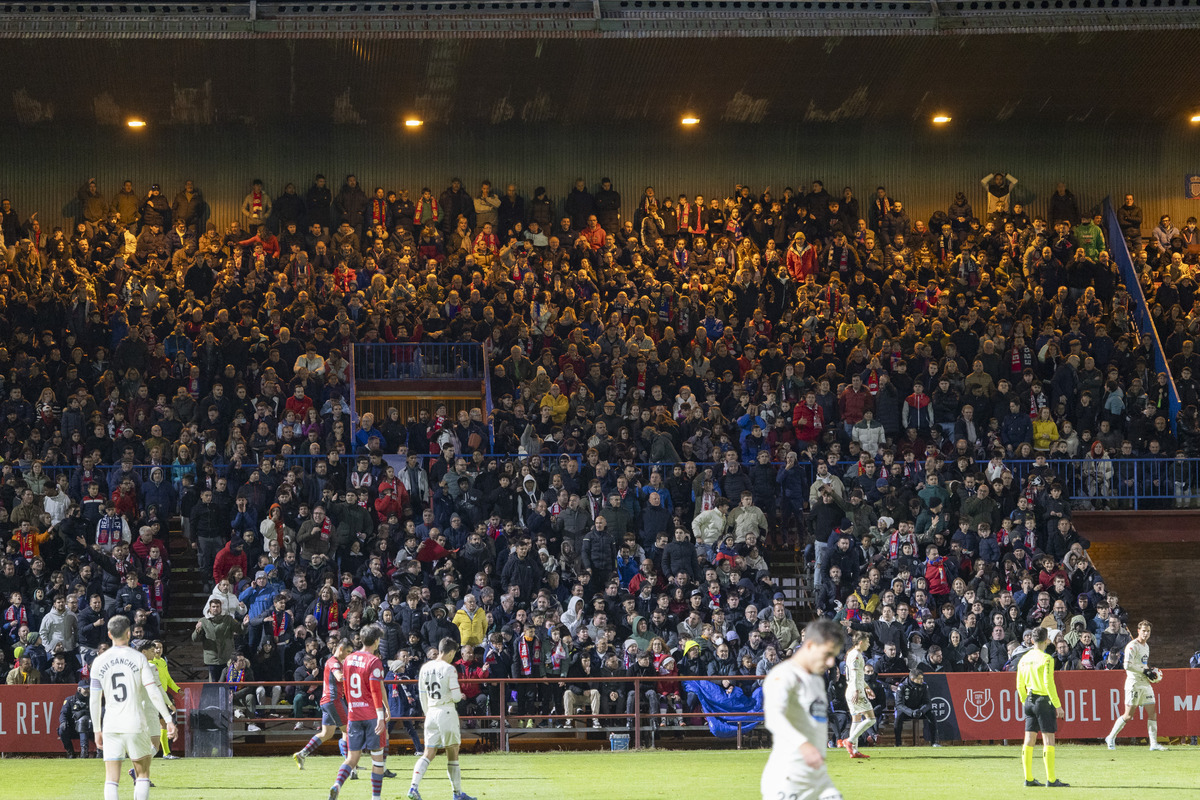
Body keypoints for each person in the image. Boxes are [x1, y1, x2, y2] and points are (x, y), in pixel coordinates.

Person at [89, 615, 177, 800]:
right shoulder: (138, 658)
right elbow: (153, 690)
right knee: (143, 774)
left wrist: (97, 729)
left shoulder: (98, 662)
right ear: (129, 634)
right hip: (135, 723)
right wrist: (168, 719)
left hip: (111, 724)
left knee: (111, 779)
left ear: (109, 634)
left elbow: (95, 700)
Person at [760, 619, 845, 800]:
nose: (831, 662)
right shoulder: (783, 675)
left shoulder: (816, 680)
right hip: (787, 779)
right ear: (811, 645)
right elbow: (774, 717)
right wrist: (802, 744)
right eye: (827, 654)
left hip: (818, 779)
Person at [407, 637, 474, 800]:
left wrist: (427, 713)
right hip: (446, 712)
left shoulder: (425, 667)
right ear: (451, 652)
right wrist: (457, 695)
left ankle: (413, 787)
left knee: (428, 753)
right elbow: (457, 697)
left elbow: (422, 695)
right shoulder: (449, 669)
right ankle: (457, 794)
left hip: (430, 712)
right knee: (452, 753)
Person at [328, 625, 388, 800]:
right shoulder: (374, 661)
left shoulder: (348, 660)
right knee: (377, 758)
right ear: (376, 641)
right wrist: (380, 715)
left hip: (354, 714)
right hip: (371, 715)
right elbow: (376, 690)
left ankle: (337, 784)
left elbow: (346, 686)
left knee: (352, 757)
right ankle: (375, 798)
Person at [1016, 626, 1068, 787]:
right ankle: (1051, 780)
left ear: (1032, 640)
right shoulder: (1047, 659)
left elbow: (1019, 684)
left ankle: (1028, 778)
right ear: (1047, 640)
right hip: (1043, 701)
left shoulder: (1023, 658)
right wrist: (1057, 705)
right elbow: (1048, 683)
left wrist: (1025, 701)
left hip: (1029, 701)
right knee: (1048, 740)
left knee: (1029, 740)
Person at [1105, 620, 1168, 751]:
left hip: (1144, 683)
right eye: (1143, 631)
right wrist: (1144, 670)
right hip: (1133, 683)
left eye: (1148, 631)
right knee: (1128, 715)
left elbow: (1142, 664)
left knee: (1152, 713)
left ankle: (1154, 744)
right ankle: (1110, 737)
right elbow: (1127, 665)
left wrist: (1149, 672)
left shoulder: (1146, 646)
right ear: (1138, 631)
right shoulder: (1132, 646)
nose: (1146, 633)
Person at [295, 639, 354, 769]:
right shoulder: (334, 662)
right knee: (350, 731)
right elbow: (339, 677)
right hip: (334, 700)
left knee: (327, 734)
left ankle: (302, 754)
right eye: (348, 651)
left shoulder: (333, 662)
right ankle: (350, 764)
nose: (349, 654)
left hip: (326, 701)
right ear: (340, 649)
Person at [836, 631, 874, 758]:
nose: (869, 644)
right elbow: (854, 675)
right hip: (855, 691)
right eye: (867, 642)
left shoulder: (851, 654)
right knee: (871, 719)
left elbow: (857, 676)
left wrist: (867, 687)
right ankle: (850, 740)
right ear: (861, 642)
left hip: (851, 689)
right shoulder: (857, 655)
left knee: (856, 719)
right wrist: (858, 690)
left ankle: (854, 751)